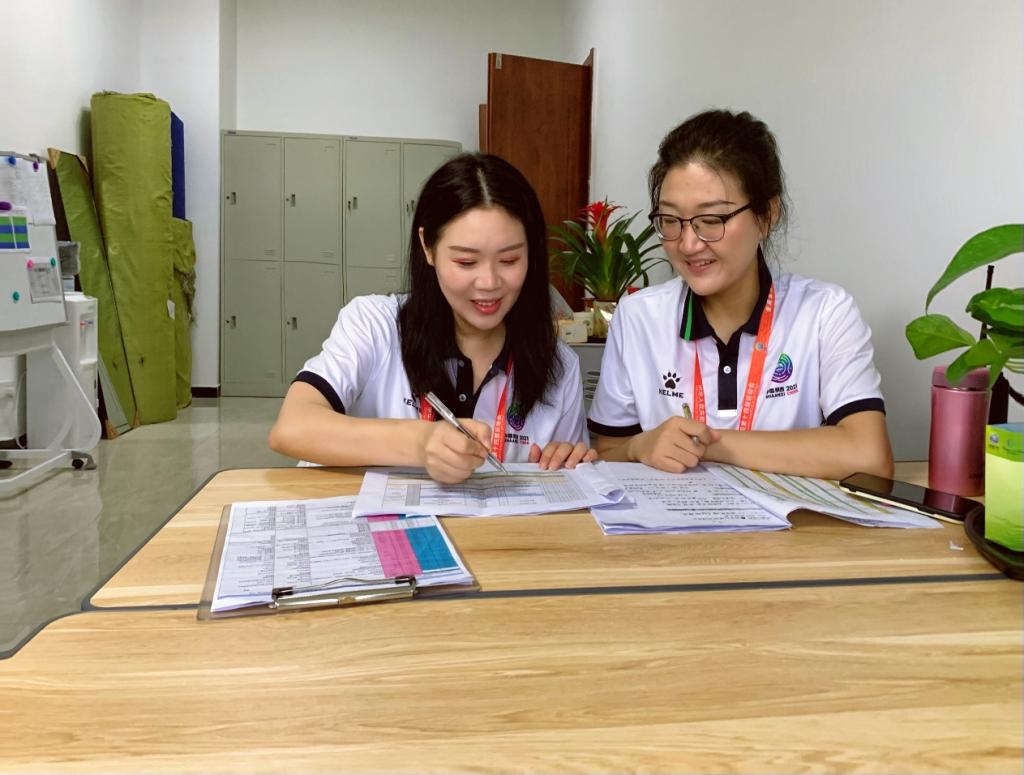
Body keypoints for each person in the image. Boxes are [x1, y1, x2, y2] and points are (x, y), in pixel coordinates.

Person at [588, 109, 894, 480]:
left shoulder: (824, 312)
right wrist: (639, 447)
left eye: (711, 220)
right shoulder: (638, 316)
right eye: (671, 220)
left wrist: (708, 444)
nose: (688, 244)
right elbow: (608, 452)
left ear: (767, 215)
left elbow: (869, 457)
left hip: (791, 520)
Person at [269, 153, 595, 483]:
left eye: (509, 260)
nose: (489, 282)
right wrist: (421, 443)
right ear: (427, 246)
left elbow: (569, 476)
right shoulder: (375, 324)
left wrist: (568, 459)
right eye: (466, 262)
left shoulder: (557, 364)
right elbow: (293, 427)